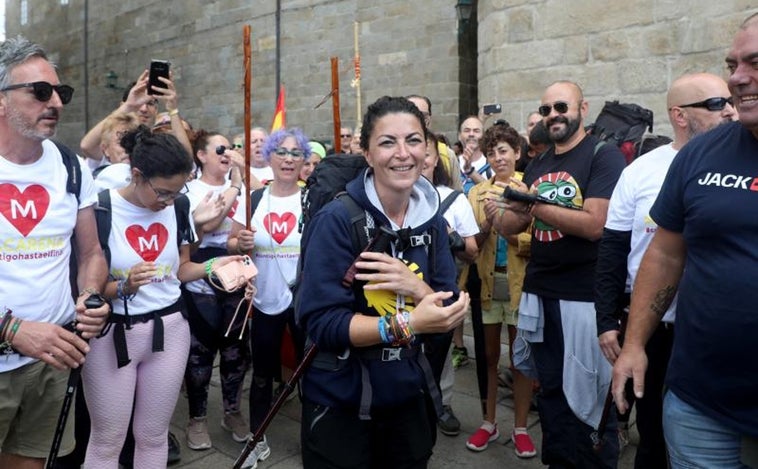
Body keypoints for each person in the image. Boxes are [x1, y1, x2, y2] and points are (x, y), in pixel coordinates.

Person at [613, 14, 758, 469]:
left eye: (754, 62)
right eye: (732, 64)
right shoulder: (700, 153)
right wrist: (634, 344)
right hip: (700, 403)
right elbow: (666, 253)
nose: (737, 78)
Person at [297, 96, 470, 468]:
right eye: (387, 142)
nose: (402, 153)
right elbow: (322, 323)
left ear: (428, 150)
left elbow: (448, 310)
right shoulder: (336, 220)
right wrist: (408, 322)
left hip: (409, 396)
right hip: (341, 400)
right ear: (367, 153)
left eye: (413, 140)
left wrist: (417, 288)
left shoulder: (434, 222)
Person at [596, 72, 736, 468]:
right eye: (714, 104)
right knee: (654, 435)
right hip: (654, 329)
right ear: (679, 114)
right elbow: (613, 248)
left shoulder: (742, 162)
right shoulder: (640, 171)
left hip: (713, 331)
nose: (728, 109)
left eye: (728, 100)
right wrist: (607, 320)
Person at [80, 127, 242, 468]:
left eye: (176, 192)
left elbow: (180, 270)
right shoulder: (102, 208)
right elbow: (88, 288)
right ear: (137, 175)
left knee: (153, 436)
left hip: (170, 330)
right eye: (162, 193)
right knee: (108, 439)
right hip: (114, 335)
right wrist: (125, 286)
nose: (168, 201)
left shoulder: (179, 206)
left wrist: (215, 264)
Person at [491, 80, 626, 468]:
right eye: (547, 110)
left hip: (584, 298)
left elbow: (595, 224)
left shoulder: (604, 155)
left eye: (561, 107)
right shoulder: (539, 162)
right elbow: (515, 224)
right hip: (541, 294)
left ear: (583, 108)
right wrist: (499, 214)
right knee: (550, 393)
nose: (554, 115)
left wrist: (531, 205)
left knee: (588, 397)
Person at [0, 36, 110, 469]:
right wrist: (13, 330)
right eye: (40, 92)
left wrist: (92, 296)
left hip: (53, 356)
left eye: (60, 93)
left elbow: (91, 254)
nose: (56, 103)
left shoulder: (70, 165)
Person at [227, 127, 309, 469]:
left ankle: (316, 436)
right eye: (282, 152)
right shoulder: (253, 199)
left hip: (304, 300)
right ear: (270, 157)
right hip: (265, 299)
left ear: (304, 160)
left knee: (311, 373)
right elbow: (231, 244)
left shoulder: (312, 198)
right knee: (262, 373)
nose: (288, 159)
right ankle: (256, 438)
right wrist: (240, 244)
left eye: (295, 153)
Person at [462, 123, 537, 458]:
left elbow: (535, 243)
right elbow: (471, 246)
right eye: (491, 152)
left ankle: (520, 427)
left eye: (503, 150)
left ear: (517, 153)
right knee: (489, 357)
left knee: (520, 359)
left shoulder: (530, 190)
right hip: (489, 284)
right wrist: (488, 224)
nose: (497, 158)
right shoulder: (476, 194)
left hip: (521, 284)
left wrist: (509, 231)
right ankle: (489, 421)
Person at [183, 129, 252, 450]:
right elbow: (206, 226)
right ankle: (196, 418)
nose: (228, 153)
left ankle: (232, 411)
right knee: (199, 354)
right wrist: (236, 185)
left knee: (236, 352)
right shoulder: (190, 190)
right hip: (199, 277)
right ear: (201, 155)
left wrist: (242, 242)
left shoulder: (240, 187)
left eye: (231, 148)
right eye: (220, 148)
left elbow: (230, 237)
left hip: (233, 275)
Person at [421, 133, 479, 438]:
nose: (421, 159)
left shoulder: (454, 199)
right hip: (403, 294)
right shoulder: (392, 197)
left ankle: (441, 404)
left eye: (427, 153)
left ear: (435, 159)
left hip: (442, 290)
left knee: (440, 354)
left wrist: (450, 234)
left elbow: (472, 251)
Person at [79, 69, 192, 170]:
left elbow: (185, 159)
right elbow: (87, 146)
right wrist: (127, 106)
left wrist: (173, 109)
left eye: (150, 103)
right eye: (139, 103)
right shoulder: (113, 143)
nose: (144, 109)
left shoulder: (158, 144)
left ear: (156, 109)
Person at [406, 94, 464, 192]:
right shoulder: (391, 153)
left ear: (429, 119)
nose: (417, 121)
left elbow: (456, 195)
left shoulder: (446, 154)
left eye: (422, 116)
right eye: (411, 114)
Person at [92, 111, 139, 190]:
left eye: (133, 142)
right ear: (105, 149)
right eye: (121, 142)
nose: (127, 149)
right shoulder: (95, 185)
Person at [458, 116, 490, 194]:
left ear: (483, 136)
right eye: (467, 130)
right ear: (459, 136)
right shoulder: (452, 163)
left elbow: (493, 192)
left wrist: (470, 171)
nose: (471, 134)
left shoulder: (491, 164)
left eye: (476, 131)